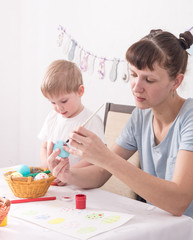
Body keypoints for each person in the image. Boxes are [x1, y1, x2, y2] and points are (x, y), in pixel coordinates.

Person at [47, 29, 193, 218]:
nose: (136, 87)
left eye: (149, 79)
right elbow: (100, 173)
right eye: (133, 74)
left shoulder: (189, 119)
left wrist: (106, 157)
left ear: (176, 82)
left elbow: (178, 202)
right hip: (160, 224)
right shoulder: (141, 116)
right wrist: (67, 175)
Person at [38, 59, 105, 185]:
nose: (59, 108)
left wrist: (68, 173)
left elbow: (94, 159)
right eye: (53, 102)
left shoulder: (91, 121)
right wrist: (47, 167)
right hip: (56, 184)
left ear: (80, 91)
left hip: (80, 186)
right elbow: (44, 147)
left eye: (63, 101)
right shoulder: (52, 117)